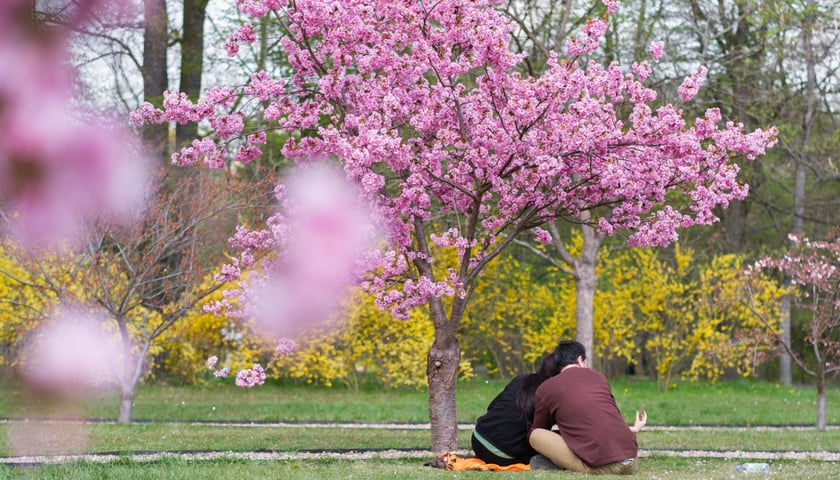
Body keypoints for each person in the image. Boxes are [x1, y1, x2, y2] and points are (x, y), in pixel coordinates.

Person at [528, 340, 647, 474]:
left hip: (604, 467)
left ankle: (563, 465)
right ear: (580, 360)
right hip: (631, 462)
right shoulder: (599, 377)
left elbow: (540, 428)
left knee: (535, 435)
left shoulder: (547, 388)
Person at [470, 347, 563, 466]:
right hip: (502, 455)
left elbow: (492, 406)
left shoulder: (521, 379)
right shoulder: (550, 395)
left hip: (478, 438)